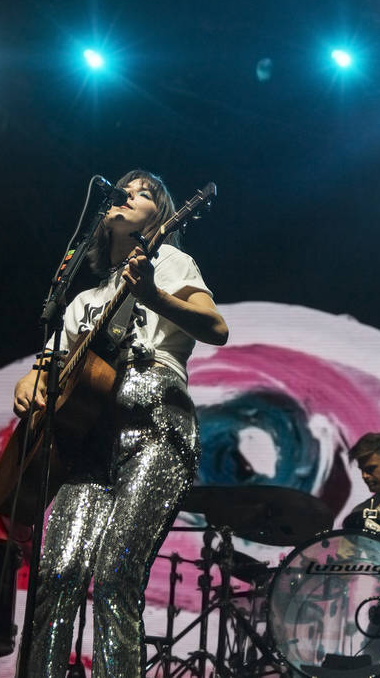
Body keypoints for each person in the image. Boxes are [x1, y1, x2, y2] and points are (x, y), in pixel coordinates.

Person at [12, 170, 229, 678]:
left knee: (115, 576)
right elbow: (50, 365)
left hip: (156, 424)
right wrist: (32, 378)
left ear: (161, 215)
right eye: (125, 189)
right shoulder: (82, 302)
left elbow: (217, 328)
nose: (129, 194)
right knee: (58, 574)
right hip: (88, 441)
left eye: (144, 192)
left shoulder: (171, 262)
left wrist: (153, 297)